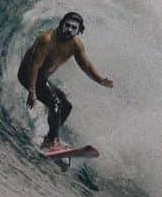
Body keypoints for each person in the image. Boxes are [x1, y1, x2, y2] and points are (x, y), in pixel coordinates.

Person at [17, 11, 113, 149]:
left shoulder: (75, 45)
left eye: (74, 28)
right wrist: (32, 92)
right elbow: (34, 66)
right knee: (55, 104)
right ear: (61, 25)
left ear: (79, 31)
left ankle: (50, 137)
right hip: (28, 75)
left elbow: (85, 65)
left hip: (41, 78)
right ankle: (52, 140)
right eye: (67, 25)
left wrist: (100, 80)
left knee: (66, 106)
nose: (69, 30)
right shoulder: (47, 40)